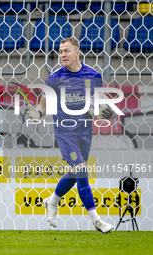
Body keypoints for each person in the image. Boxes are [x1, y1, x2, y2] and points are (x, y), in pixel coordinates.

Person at [27, 37, 114, 233]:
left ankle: (52, 201)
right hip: (65, 132)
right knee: (82, 171)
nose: (63, 55)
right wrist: (39, 113)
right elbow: (44, 102)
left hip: (85, 131)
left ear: (77, 52)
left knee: (75, 174)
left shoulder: (94, 76)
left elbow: (97, 103)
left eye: (66, 51)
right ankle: (97, 221)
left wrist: (104, 110)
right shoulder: (55, 78)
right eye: (60, 51)